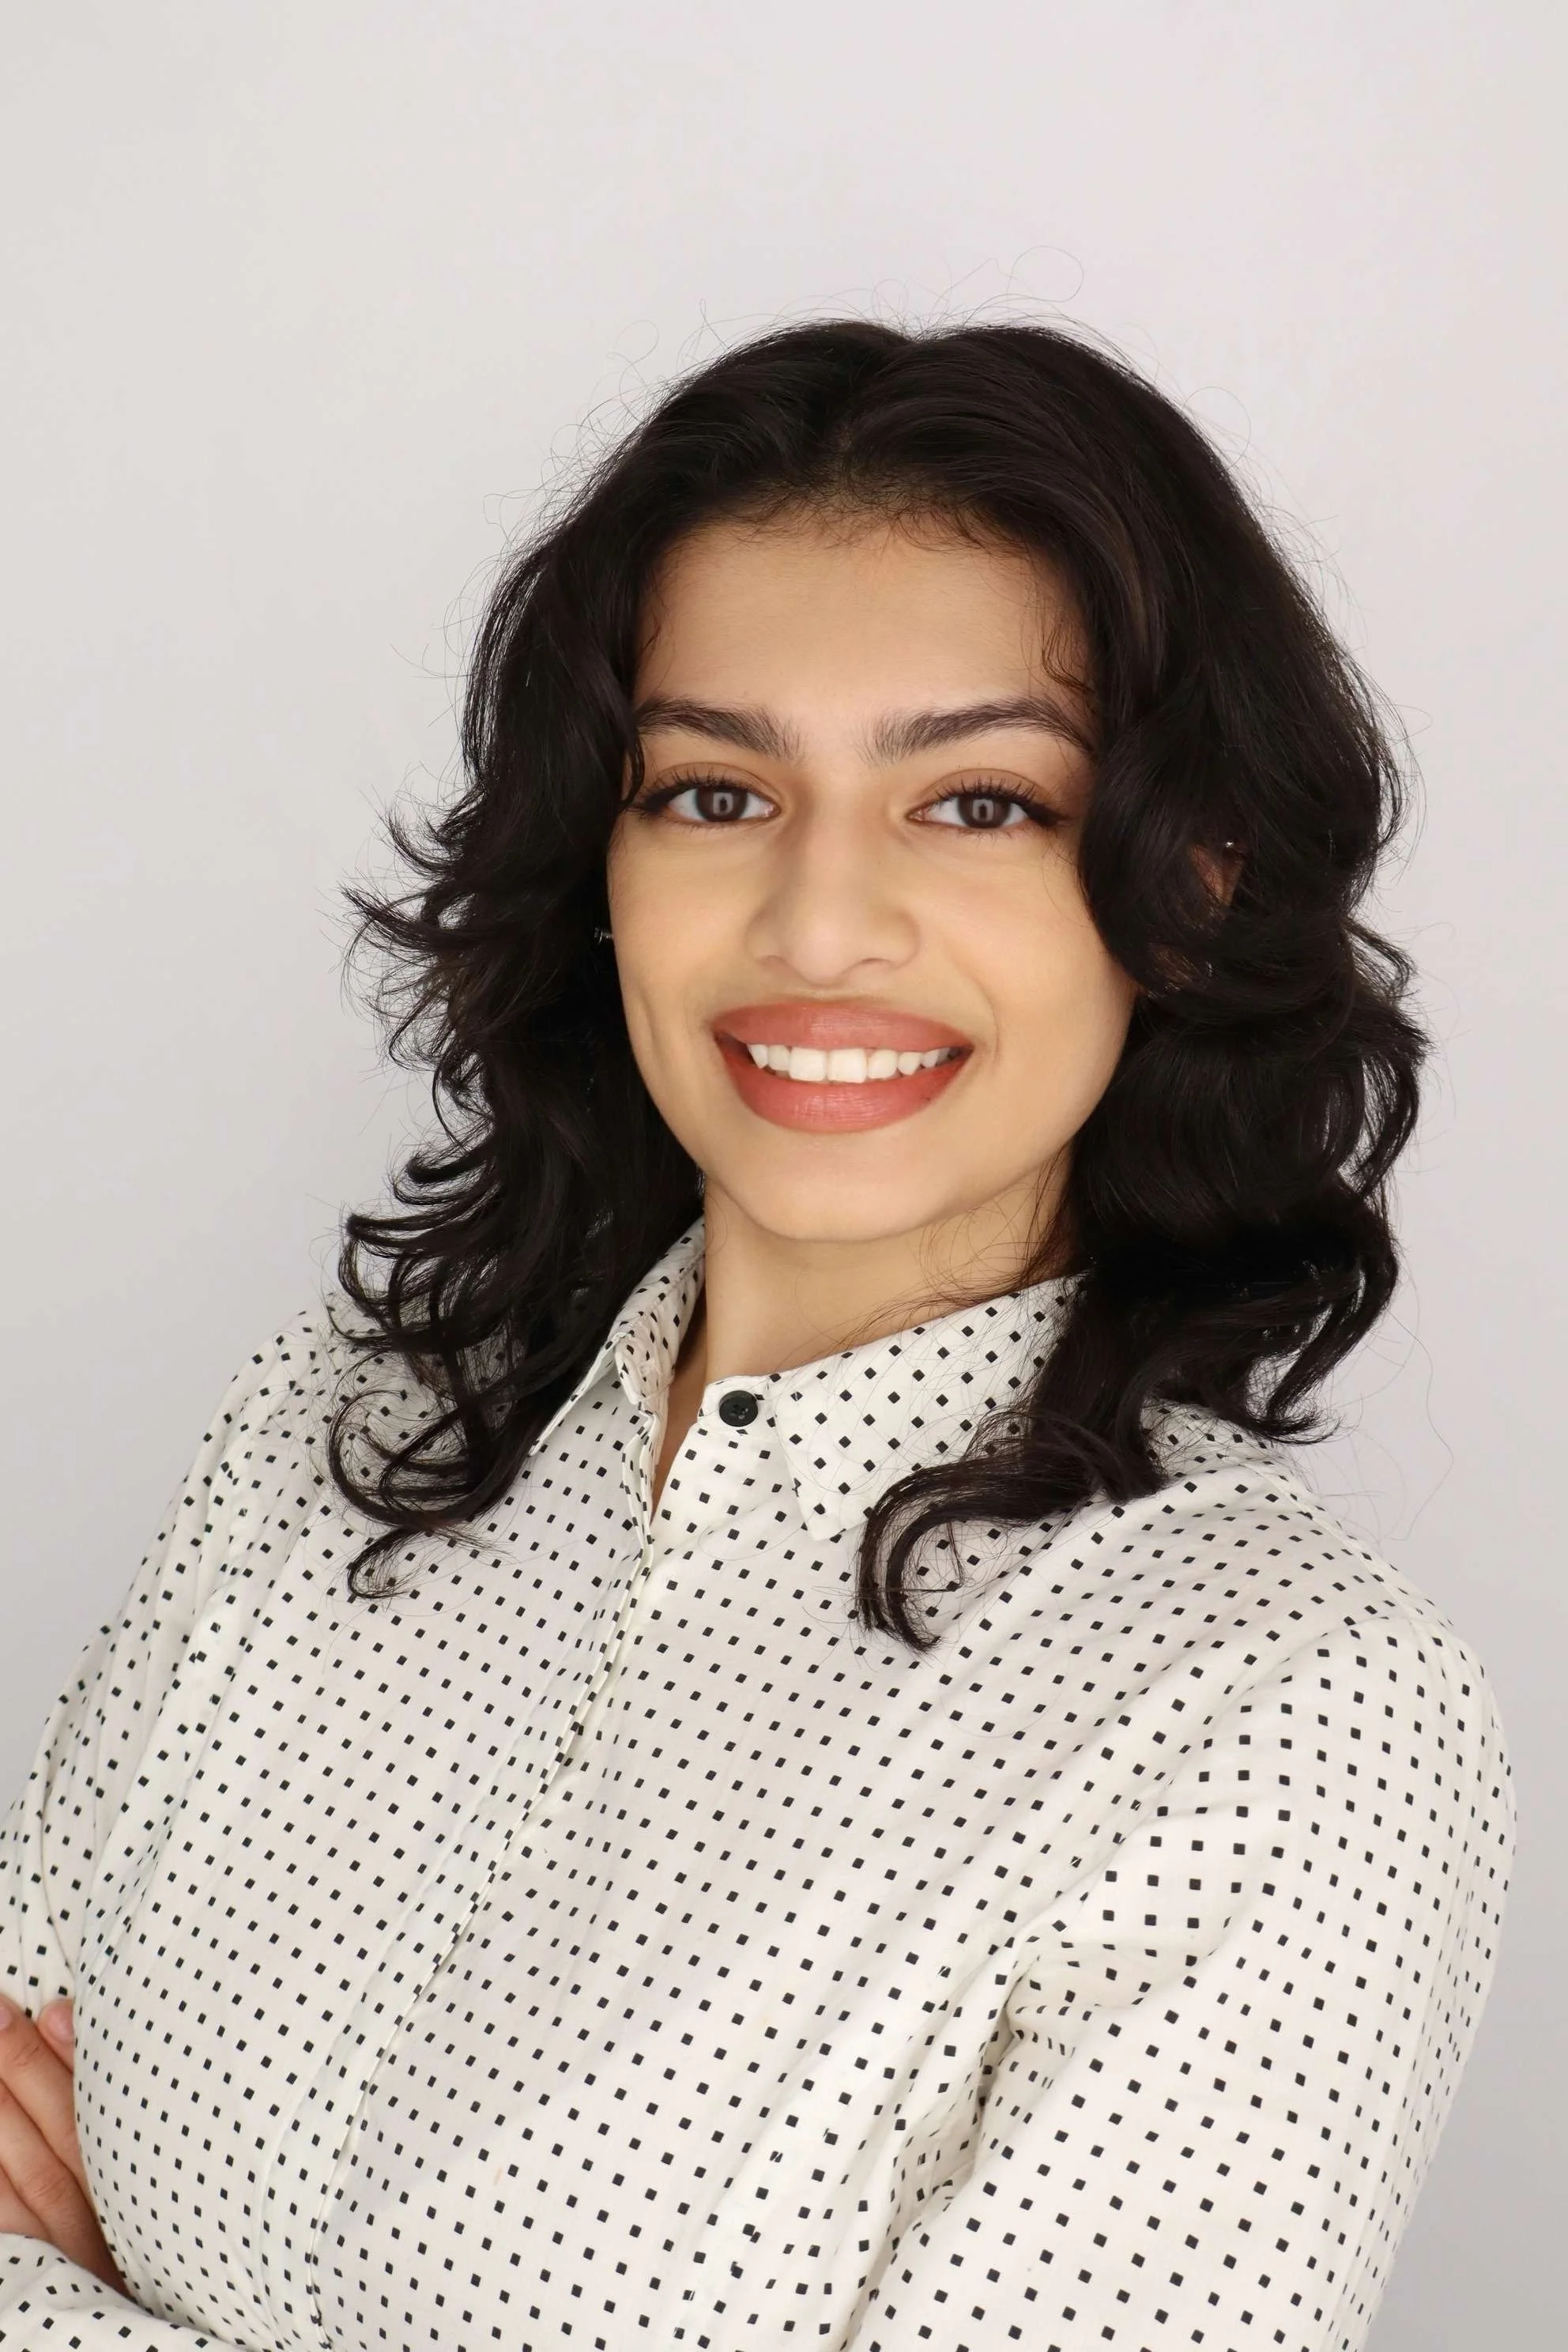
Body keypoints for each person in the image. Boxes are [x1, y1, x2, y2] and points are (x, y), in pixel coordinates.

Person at [0, 319, 1512, 2351]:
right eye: (713, 791)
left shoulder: (1281, 1717)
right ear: (600, 865)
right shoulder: (331, 1440)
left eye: (977, 804)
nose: (814, 922)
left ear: (1190, 883)